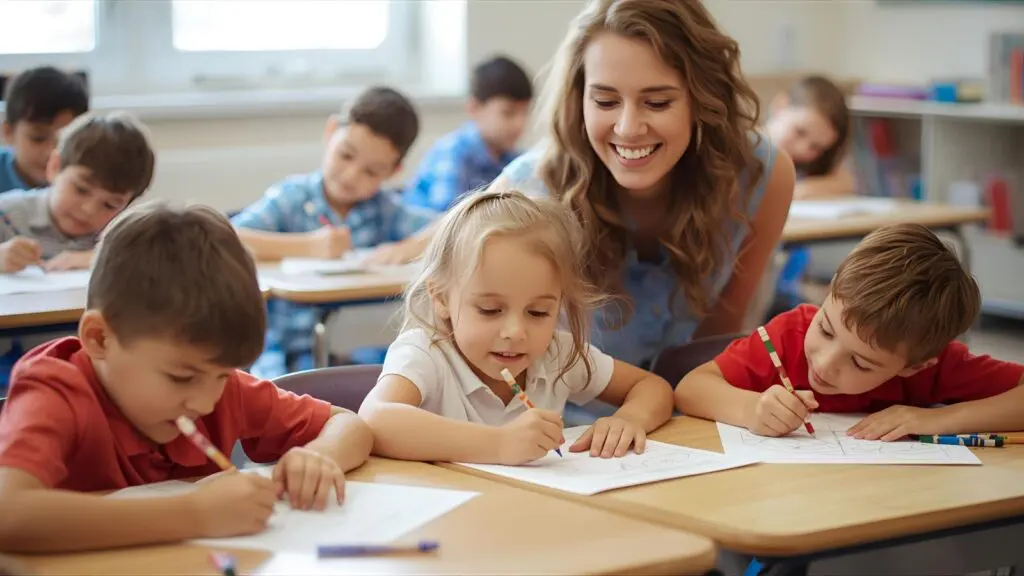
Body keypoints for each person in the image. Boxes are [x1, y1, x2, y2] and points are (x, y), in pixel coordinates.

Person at [367, 0, 796, 376]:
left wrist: (665, 417)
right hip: (558, 432)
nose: (628, 128)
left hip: (689, 416)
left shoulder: (762, 174)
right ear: (578, 99)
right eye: (605, 101)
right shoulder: (532, 189)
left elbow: (717, 338)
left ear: (703, 101)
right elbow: (454, 349)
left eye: (658, 102)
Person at [0, 204, 373, 553]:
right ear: (99, 338)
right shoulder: (55, 390)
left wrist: (319, 456)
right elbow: (9, 513)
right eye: (180, 378)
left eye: (223, 374)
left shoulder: (218, 385)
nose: (205, 402)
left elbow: (349, 424)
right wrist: (195, 515)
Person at [359, 189, 674, 464]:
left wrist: (628, 419)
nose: (515, 332)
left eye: (538, 312)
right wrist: (499, 444)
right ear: (441, 297)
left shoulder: (556, 355)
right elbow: (375, 419)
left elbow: (652, 388)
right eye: (490, 310)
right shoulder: (426, 353)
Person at [675, 223, 1024, 440]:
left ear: (915, 366)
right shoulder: (787, 337)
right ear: (830, 289)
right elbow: (691, 387)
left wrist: (939, 419)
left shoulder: (933, 362)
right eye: (826, 330)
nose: (825, 364)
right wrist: (751, 409)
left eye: (860, 363)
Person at [231, 86, 436, 378]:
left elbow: (452, 225)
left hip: (365, 353)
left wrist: (406, 248)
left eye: (372, 172)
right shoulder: (292, 200)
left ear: (393, 172)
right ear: (331, 132)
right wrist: (308, 247)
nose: (352, 176)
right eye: (346, 155)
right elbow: (227, 238)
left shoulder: (385, 210)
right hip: (287, 351)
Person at [0, 111, 155, 273]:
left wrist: (97, 258)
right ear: (55, 167)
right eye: (81, 190)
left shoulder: (122, 235)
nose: (89, 209)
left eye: (110, 204)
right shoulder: (5, 214)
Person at [764, 75, 854, 315]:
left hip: (779, 283)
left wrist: (800, 189)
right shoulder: (745, 151)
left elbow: (846, 181)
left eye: (817, 147)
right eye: (800, 132)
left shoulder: (798, 167)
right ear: (780, 106)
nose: (805, 149)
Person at [403, 55, 533, 212]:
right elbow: (448, 221)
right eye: (508, 113)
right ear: (474, 108)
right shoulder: (453, 154)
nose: (519, 123)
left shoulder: (514, 160)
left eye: (525, 112)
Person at [1, 66, 89, 193]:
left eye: (65, 140)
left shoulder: (89, 182)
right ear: (8, 132)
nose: (51, 152)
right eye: (38, 138)